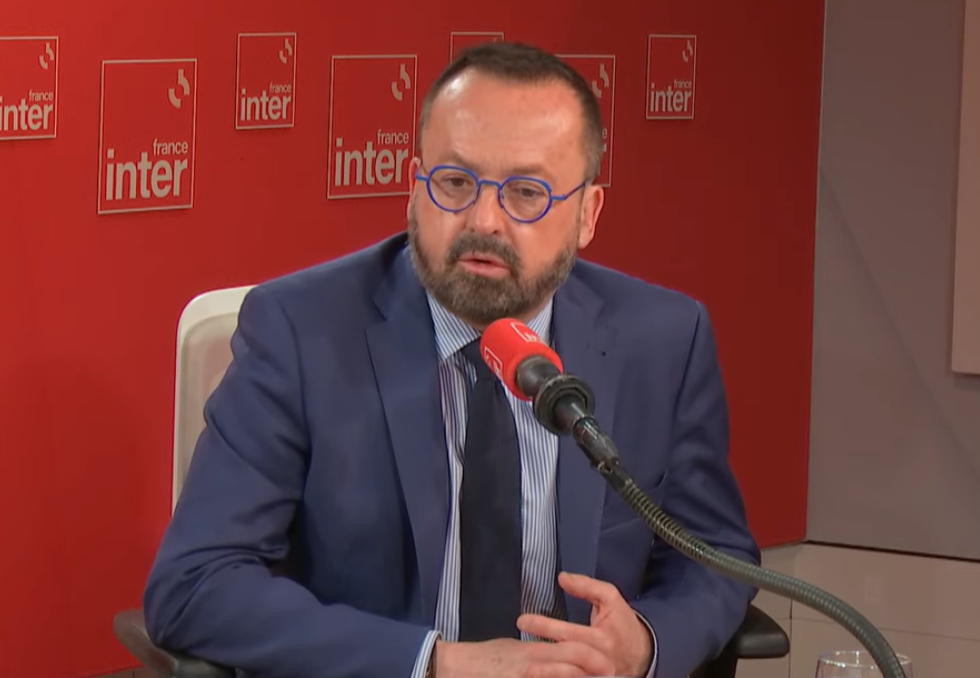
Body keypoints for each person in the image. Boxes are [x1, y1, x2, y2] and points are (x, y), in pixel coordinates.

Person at [143, 41, 759, 678]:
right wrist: (435, 663)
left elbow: (714, 558)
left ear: (587, 214)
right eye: (455, 183)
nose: (483, 220)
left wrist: (646, 645)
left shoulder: (662, 341)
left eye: (526, 192)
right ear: (414, 187)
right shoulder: (301, 333)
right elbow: (195, 582)